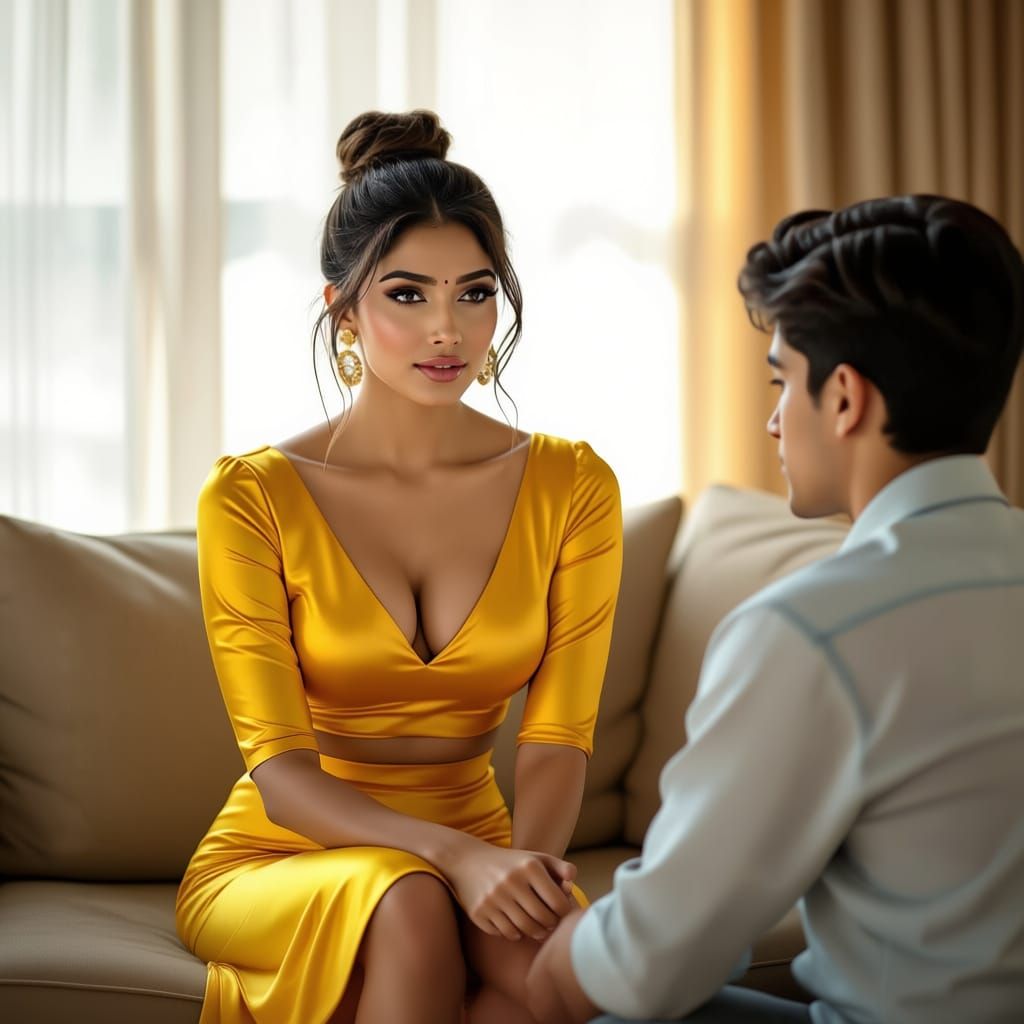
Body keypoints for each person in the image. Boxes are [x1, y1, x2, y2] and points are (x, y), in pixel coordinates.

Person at [525, 194, 1024, 1024]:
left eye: (781, 380)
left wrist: (549, 976)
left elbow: (645, 964)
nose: (771, 420)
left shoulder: (810, 631)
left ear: (845, 399)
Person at [175, 109, 623, 1024]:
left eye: (475, 292)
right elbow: (282, 775)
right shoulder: (251, 497)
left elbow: (557, 739)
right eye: (408, 295)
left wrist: (524, 869)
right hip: (286, 855)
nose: (447, 329)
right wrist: (454, 859)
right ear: (342, 308)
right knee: (409, 901)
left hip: (487, 839)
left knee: (553, 975)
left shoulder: (574, 485)